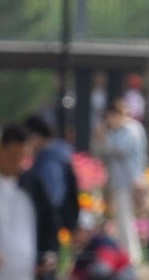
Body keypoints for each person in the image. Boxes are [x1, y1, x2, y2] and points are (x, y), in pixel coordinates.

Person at [0, 123, 58, 280]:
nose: (17, 162)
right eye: (13, 156)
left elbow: (49, 223)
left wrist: (49, 253)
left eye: (22, 156)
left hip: (28, 272)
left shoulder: (33, 185)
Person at [94, 100, 147, 265]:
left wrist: (103, 137)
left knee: (125, 221)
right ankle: (128, 256)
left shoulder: (131, 129)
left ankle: (131, 258)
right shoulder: (121, 131)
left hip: (129, 182)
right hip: (120, 181)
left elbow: (117, 148)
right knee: (122, 221)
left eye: (111, 117)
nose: (110, 121)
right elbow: (101, 150)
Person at [25, 114, 81, 236]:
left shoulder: (49, 162)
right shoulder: (58, 154)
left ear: (36, 136)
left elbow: (53, 198)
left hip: (50, 227)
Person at [70, 211, 137, 280]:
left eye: (76, 231)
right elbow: (75, 274)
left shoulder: (101, 240)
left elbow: (103, 268)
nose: (73, 236)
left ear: (85, 231)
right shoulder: (85, 249)